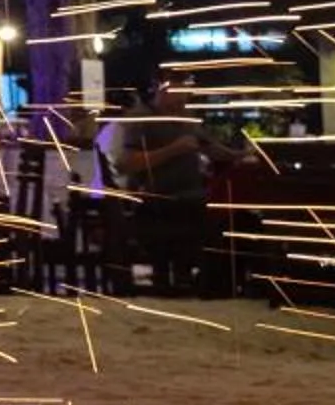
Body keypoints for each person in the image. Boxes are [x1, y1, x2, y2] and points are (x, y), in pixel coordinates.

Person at [100, 80, 234, 294]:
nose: (181, 105)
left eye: (184, 100)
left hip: (189, 197)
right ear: (162, 92)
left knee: (229, 211)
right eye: (177, 100)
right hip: (157, 203)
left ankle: (213, 279)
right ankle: (200, 278)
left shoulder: (185, 119)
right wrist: (173, 150)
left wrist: (240, 156)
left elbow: (210, 147)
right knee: (210, 214)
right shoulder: (141, 118)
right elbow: (125, 164)